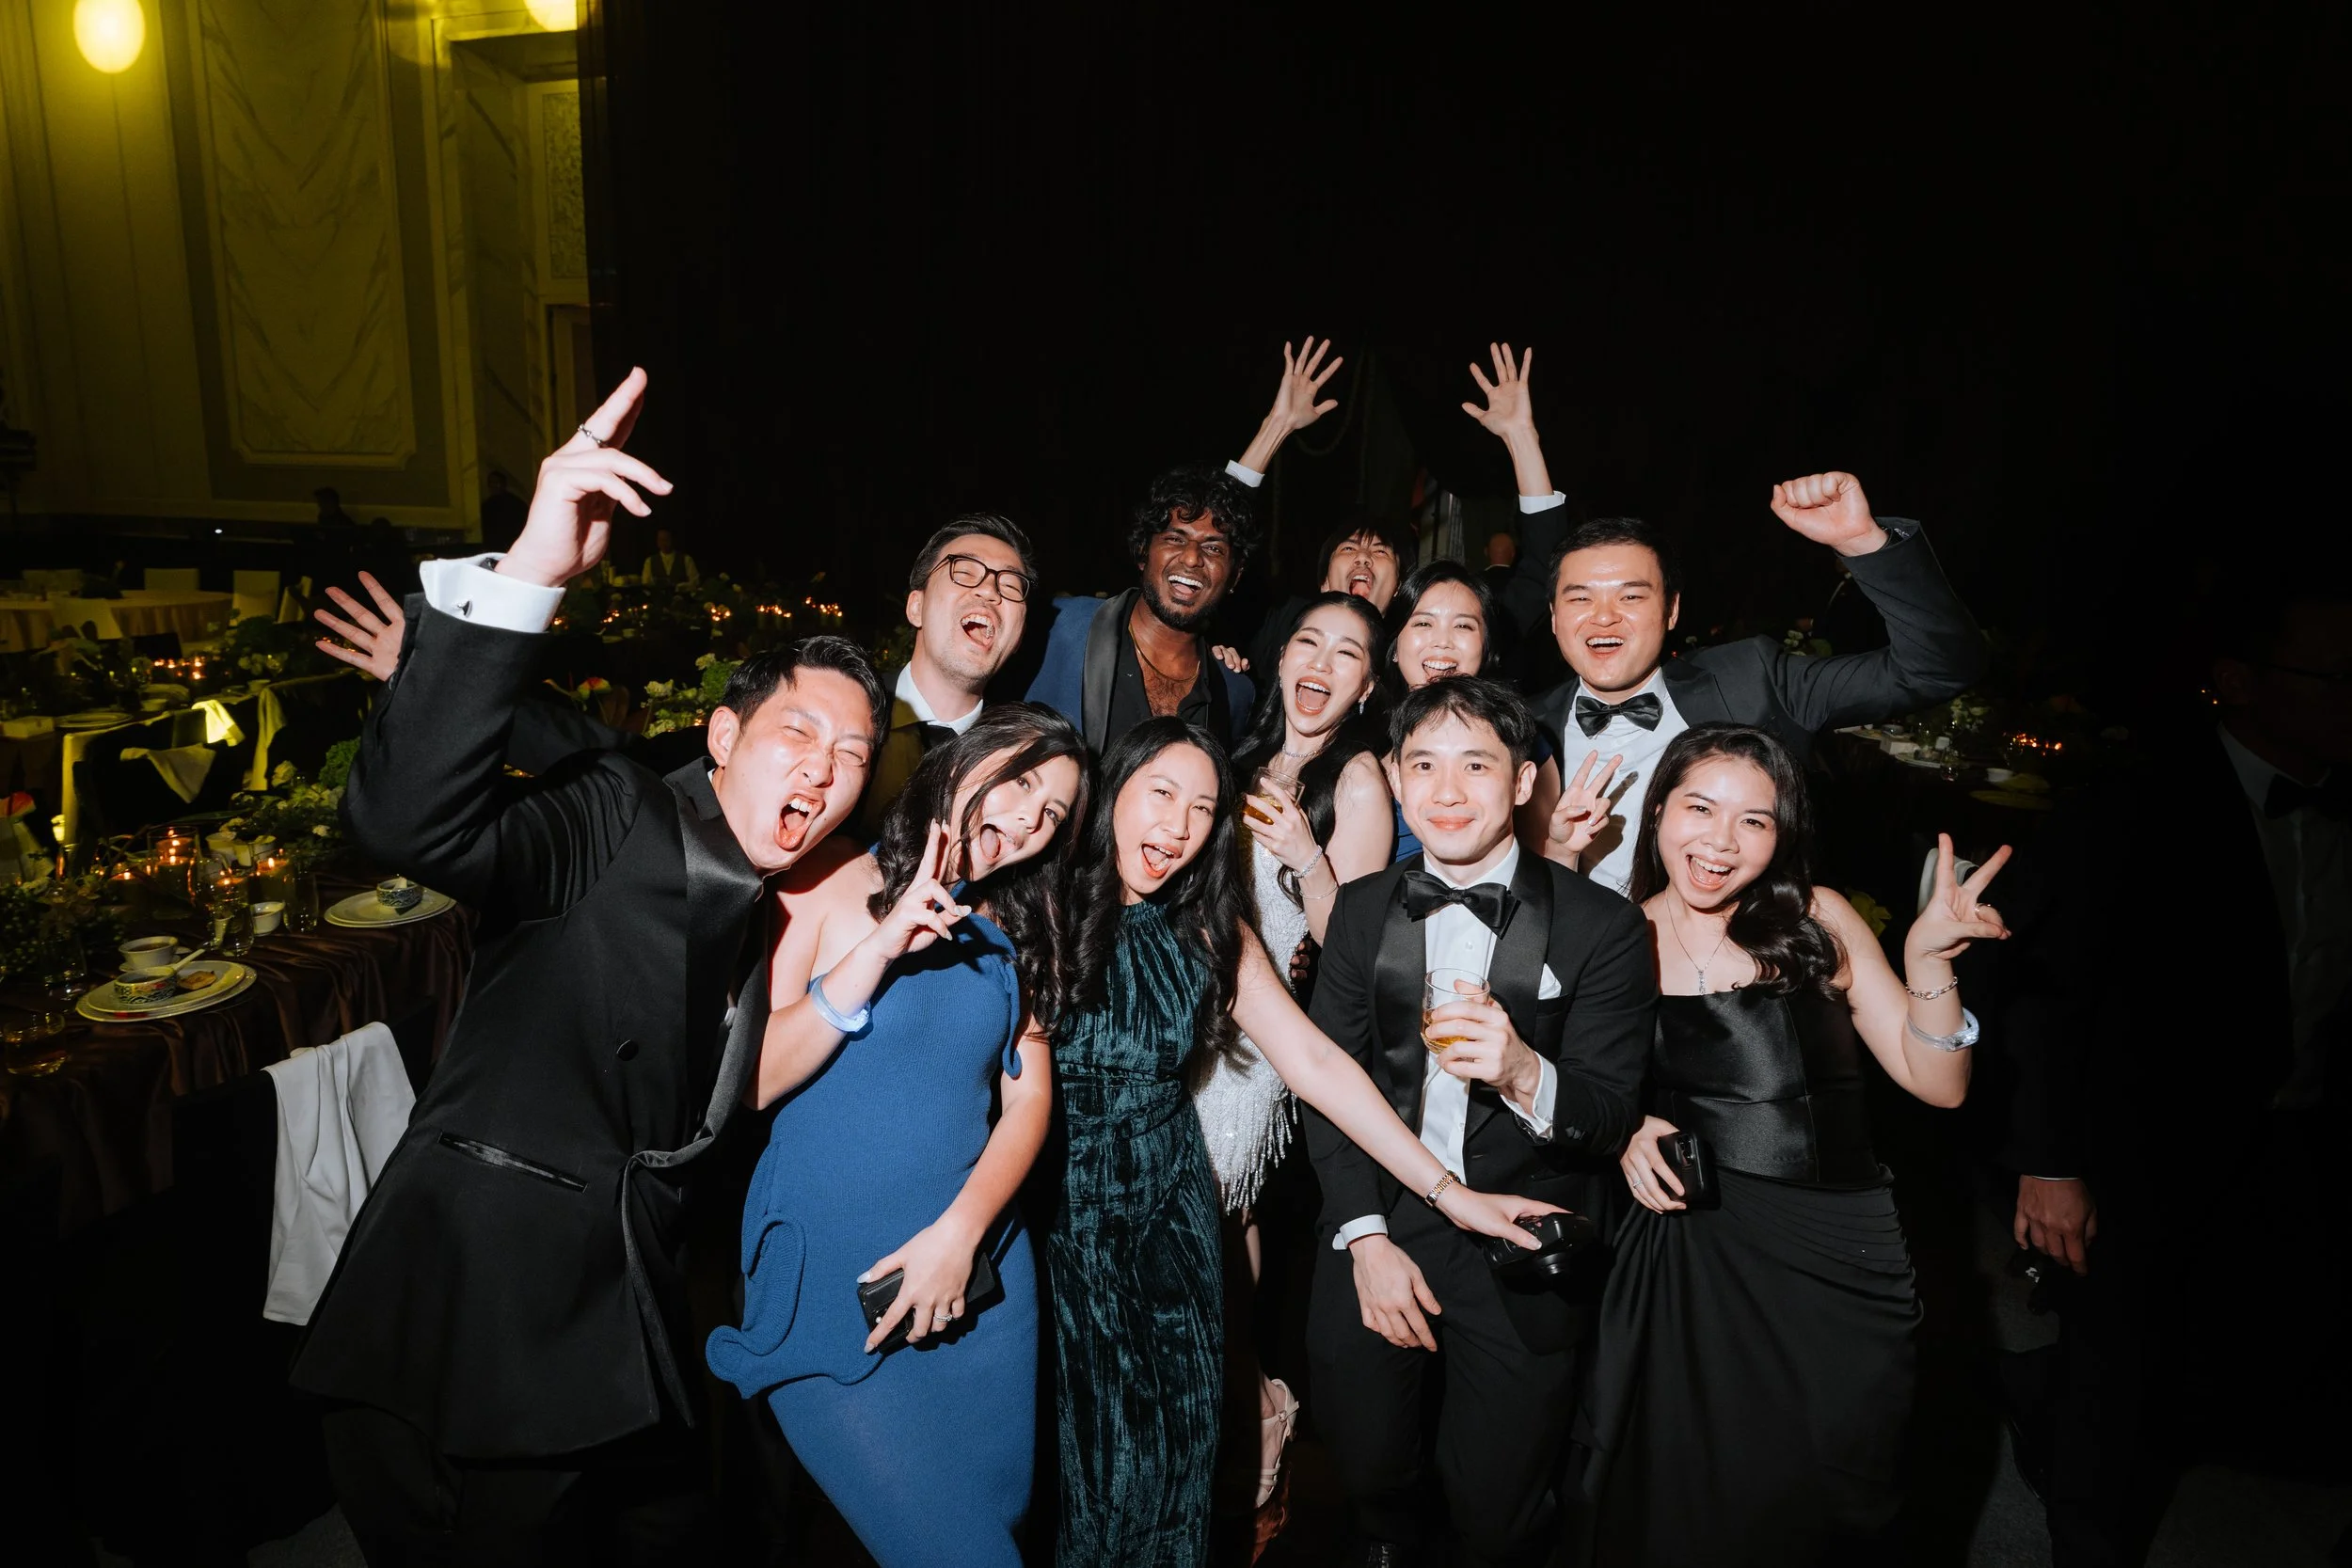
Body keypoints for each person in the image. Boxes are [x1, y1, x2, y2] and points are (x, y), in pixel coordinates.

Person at [291, 370, 890, 1564]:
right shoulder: (621, 818)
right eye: (799, 732)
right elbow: (410, 822)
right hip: (480, 1305)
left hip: (622, 1308)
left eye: (855, 753)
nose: (825, 768)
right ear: (722, 737)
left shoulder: (762, 892)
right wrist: (530, 573)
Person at [1047, 716, 1563, 1568]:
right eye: (1161, 793)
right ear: (1112, 792)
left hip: (1168, 1238)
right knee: (1066, 1478)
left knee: (1165, 1480)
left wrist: (1452, 1193)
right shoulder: (1041, 906)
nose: (1178, 826)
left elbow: (1321, 1066)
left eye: (1203, 809)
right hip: (1055, 1236)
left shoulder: (1210, 929)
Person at [1580, 723, 2010, 1566]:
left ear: (1782, 835)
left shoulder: (1818, 918)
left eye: (1755, 820)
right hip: (1694, 1250)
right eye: (1700, 807)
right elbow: (1585, 1089)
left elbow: (1939, 1082)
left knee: (1836, 1480)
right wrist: (1622, 1128)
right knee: (1697, 1491)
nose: (1720, 840)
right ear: (1658, 809)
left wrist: (1928, 959)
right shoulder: (1616, 936)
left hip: (1837, 1245)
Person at [1985, 585, 2346, 1564]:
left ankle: (2037, 1389)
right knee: (2119, 1373)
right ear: (2240, 681)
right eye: (2334, 673)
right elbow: (2048, 988)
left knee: (2222, 1348)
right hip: (2138, 1139)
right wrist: (2048, 1161)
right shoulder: (2136, 802)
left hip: (2286, 1129)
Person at [706, 705, 1088, 1568]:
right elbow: (751, 1079)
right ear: (967, 762)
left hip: (979, 1288)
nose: (1030, 817)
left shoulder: (1015, 930)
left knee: (997, 1526)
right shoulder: (826, 879)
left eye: (1053, 813)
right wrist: (882, 942)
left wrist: (961, 1234)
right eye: (1024, 781)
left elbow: (1029, 1102)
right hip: (832, 1291)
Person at [1300, 677, 1660, 1568]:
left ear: (1524, 780)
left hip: (1524, 1231)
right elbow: (1327, 1084)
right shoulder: (1360, 908)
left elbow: (1610, 1115)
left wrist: (1523, 1070)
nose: (1447, 791)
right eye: (1423, 765)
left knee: (1498, 1508)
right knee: (1367, 1463)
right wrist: (1365, 1235)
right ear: (1395, 778)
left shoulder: (1605, 927)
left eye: (1475, 765)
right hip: (1385, 1211)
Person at [1204, 591, 1395, 1523]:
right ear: (1279, 659)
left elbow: (1356, 950)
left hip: (1262, 1040)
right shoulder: (1241, 755)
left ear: (1368, 685)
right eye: (1308, 641)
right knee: (1213, 1219)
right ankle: (1243, 1398)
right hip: (1195, 1019)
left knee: (1218, 1206)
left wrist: (1304, 853)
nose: (1320, 662)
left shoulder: (1356, 779)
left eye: (1347, 652)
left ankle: (1255, 1400)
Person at [1382, 560, 1618, 869]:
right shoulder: (1363, 738)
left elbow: (1548, 865)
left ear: (1485, 647)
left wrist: (1564, 850)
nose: (1443, 641)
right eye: (1424, 623)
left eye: (1463, 626)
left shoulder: (1521, 739)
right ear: (1395, 645)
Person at [1020, 464, 1258, 752]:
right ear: (1144, 551)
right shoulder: (1057, 625)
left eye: (1213, 548)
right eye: (1175, 539)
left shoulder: (1235, 692)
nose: (1192, 558)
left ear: (1234, 577)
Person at [861, 514, 1037, 836]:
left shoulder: (1022, 765)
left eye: (1010, 585)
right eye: (965, 572)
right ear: (916, 607)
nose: (989, 591)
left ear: (1019, 637)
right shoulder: (845, 711)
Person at [1242, 512, 1417, 680]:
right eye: (1349, 548)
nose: (1363, 557)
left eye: (1380, 552)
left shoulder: (1407, 658)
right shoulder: (1280, 621)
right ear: (1325, 581)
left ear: (1398, 587)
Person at [480, 468, 527, 553]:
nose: (494, 486)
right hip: (494, 548)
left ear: (504, 484)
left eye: (496, 482)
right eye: (491, 483)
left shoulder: (515, 503)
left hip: (512, 546)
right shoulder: (486, 505)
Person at [640, 525, 701, 589]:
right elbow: (645, 584)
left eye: (666, 539)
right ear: (657, 542)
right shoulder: (649, 561)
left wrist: (683, 587)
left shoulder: (686, 559)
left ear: (672, 540)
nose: (664, 543)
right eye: (661, 540)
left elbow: (695, 582)